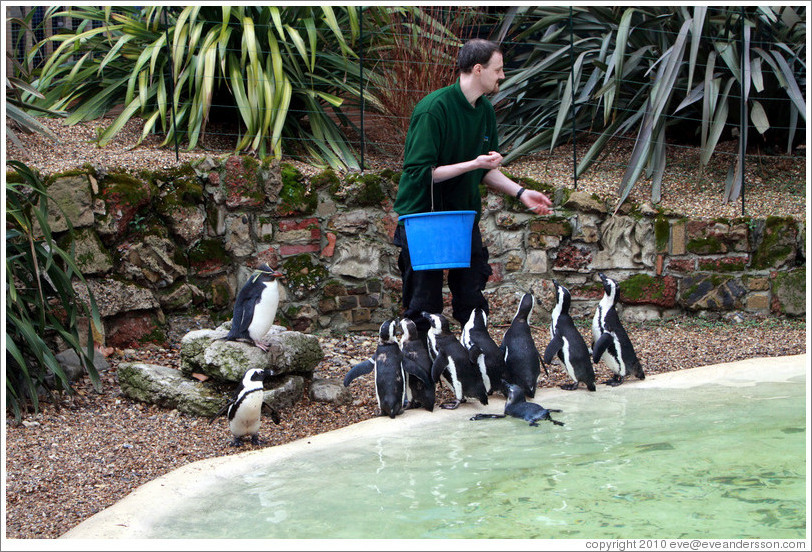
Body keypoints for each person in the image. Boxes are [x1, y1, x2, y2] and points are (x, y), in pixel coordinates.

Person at [393, 38, 552, 337]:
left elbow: (485, 171)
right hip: (423, 217)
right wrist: (473, 164)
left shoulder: (485, 111)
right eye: (498, 69)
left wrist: (520, 192)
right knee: (423, 306)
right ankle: (420, 371)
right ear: (478, 70)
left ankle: (475, 368)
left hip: (463, 217)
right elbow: (420, 174)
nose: (502, 76)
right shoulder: (433, 109)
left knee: (471, 298)